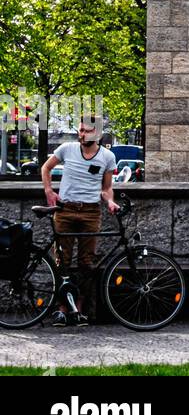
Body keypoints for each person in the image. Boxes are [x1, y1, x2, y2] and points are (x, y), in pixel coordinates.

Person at [41, 118, 119, 327]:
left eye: (87, 131)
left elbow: (106, 187)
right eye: (80, 130)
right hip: (65, 210)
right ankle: (61, 310)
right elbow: (46, 168)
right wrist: (49, 190)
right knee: (61, 261)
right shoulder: (67, 149)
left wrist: (110, 202)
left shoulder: (107, 157)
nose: (82, 134)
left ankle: (79, 309)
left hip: (91, 212)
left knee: (87, 263)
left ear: (98, 134)